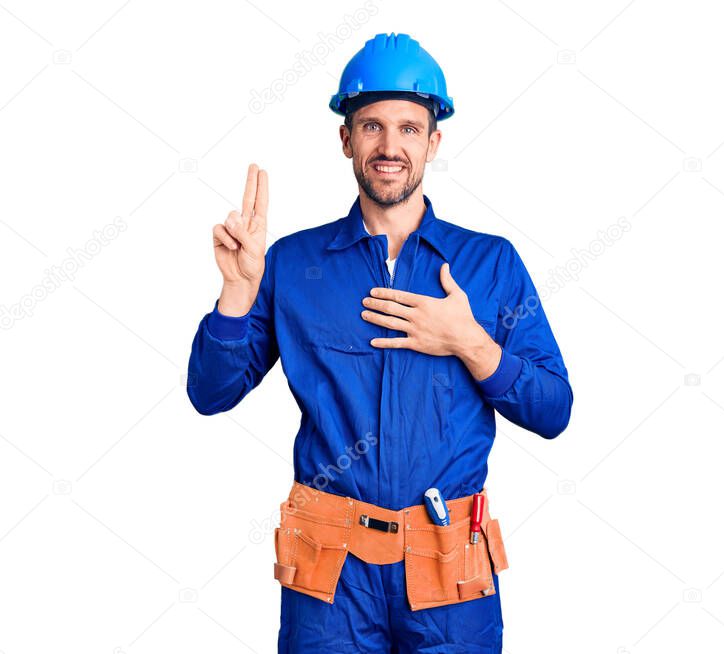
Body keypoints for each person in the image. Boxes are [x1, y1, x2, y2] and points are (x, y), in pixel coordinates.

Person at [186, 32, 573, 653]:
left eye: (408, 128)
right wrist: (235, 295)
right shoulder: (291, 263)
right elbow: (210, 395)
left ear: (434, 141)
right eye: (371, 127)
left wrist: (472, 343)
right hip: (330, 575)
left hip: (450, 573)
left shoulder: (490, 264)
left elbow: (555, 410)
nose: (390, 147)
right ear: (346, 139)